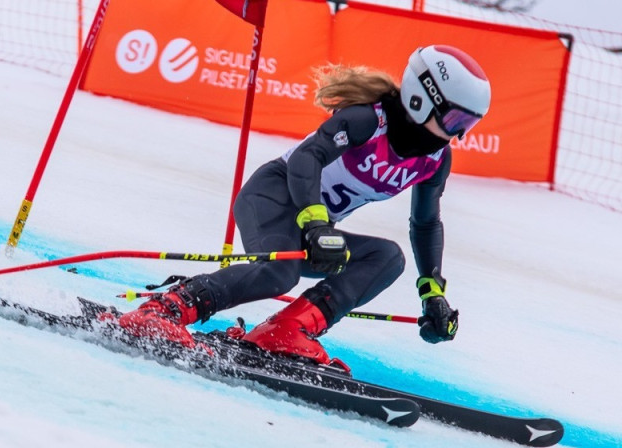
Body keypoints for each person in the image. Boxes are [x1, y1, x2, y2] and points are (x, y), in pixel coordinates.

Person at [117, 44, 491, 365]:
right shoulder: (367, 121)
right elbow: (306, 159)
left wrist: (433, 292)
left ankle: (285, 331)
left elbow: (425, 223)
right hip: (271, 198)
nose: (458, 133)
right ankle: (162, 310)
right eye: (455, 118)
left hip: (311, 231)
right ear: (420, 98)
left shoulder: (434, 160)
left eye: (468, 124)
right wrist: (315, 224)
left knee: (387, 257)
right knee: (280, 274)